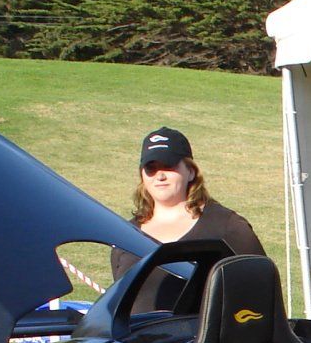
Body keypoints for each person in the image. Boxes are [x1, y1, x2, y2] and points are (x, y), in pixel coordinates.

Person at [109, 126, 266, 313]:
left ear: (190, 171)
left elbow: (263, 289)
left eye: (169, 166)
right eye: (151, 168)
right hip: (138, 342)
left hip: (202, 342)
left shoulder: (227, 227)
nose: (160, 175)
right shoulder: (125, 236)